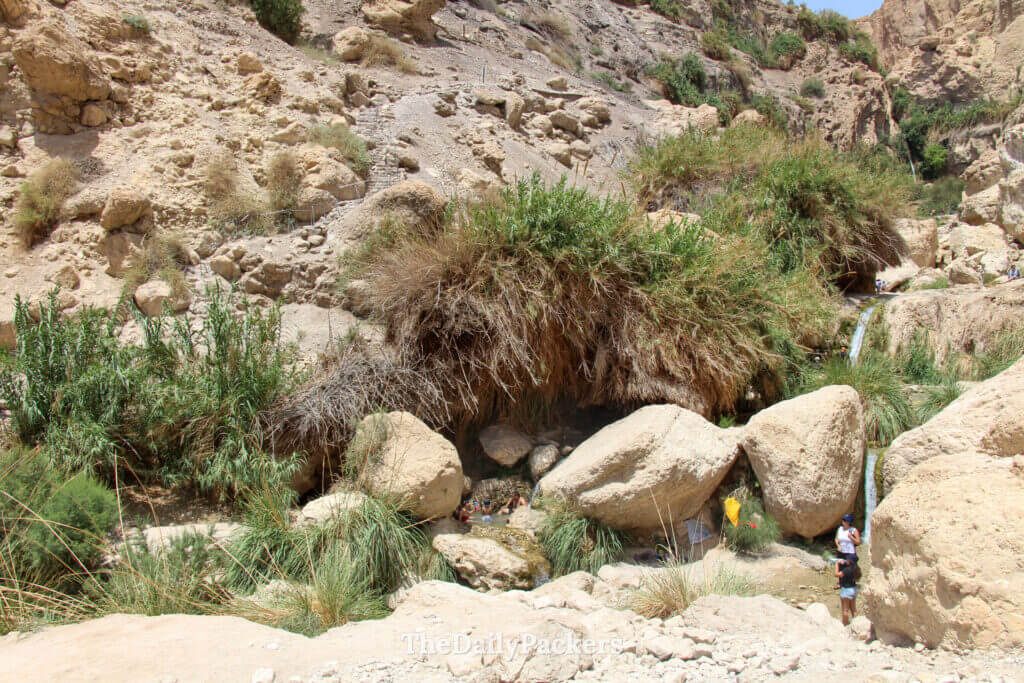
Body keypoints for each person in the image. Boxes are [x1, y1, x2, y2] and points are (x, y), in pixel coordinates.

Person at [835, 557, 862, 626]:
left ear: (850, 561)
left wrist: (837, 564)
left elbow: (837, 574)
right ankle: (856, 625)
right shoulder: (856, 569)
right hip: (854, 589)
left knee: (845, 609)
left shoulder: (847, 569)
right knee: (853, 609)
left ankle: (845, 625)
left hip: (846, 590)